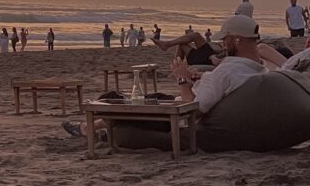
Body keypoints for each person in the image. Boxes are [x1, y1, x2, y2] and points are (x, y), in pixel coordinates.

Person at [64, 15, 267, 139]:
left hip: (175, 116)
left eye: (226, 39)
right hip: (187, 103)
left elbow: (192, 112)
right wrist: (199, 77)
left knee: (117, 99)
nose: (223, 44)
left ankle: (86, 129)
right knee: (142, 96)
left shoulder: (228, 71)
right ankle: (97, 128)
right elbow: (221, 86)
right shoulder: (259, 68)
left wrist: (182, 79)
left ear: (236, 39)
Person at [151, 27, 223, 66]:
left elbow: (226, 57)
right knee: (193, 36)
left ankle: (176, 67)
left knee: (191, 38)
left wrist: (215, 55)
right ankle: (167, 45)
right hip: (212, 55)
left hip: (210, 58)